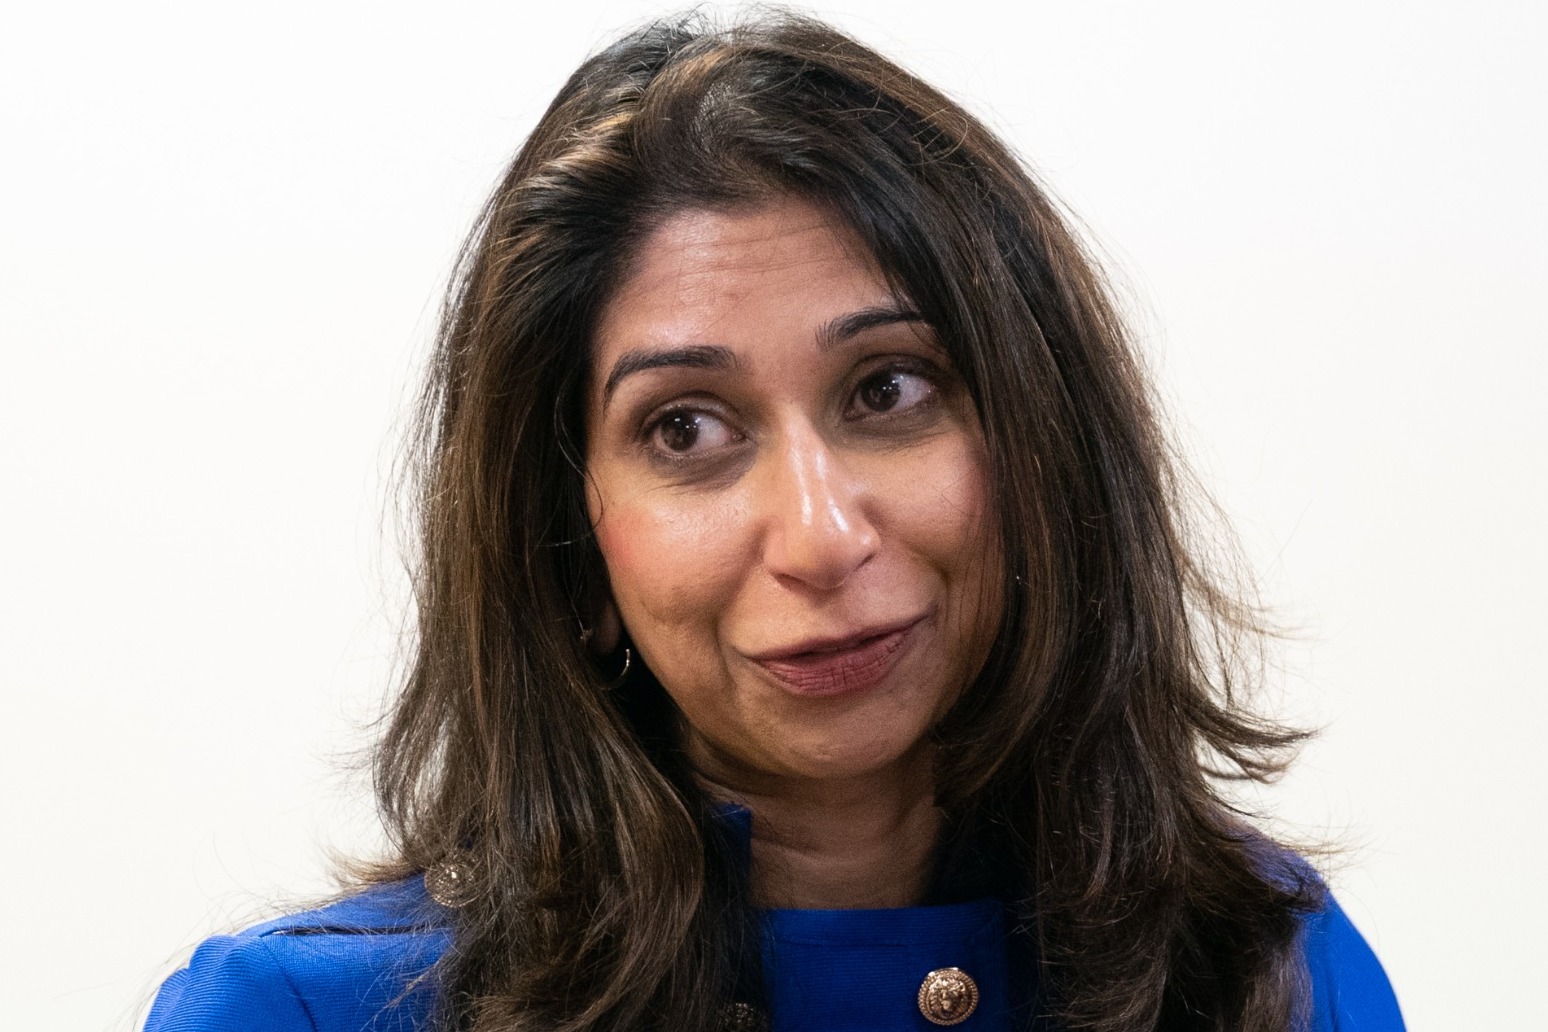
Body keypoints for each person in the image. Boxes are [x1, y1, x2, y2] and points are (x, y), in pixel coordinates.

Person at [142, 11, 1404, 1032]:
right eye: (685, 429)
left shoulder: (1263, 969)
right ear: (564, 543)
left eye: (888, 391)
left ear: (1042, 450)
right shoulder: (296, 1016)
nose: (818, 537)